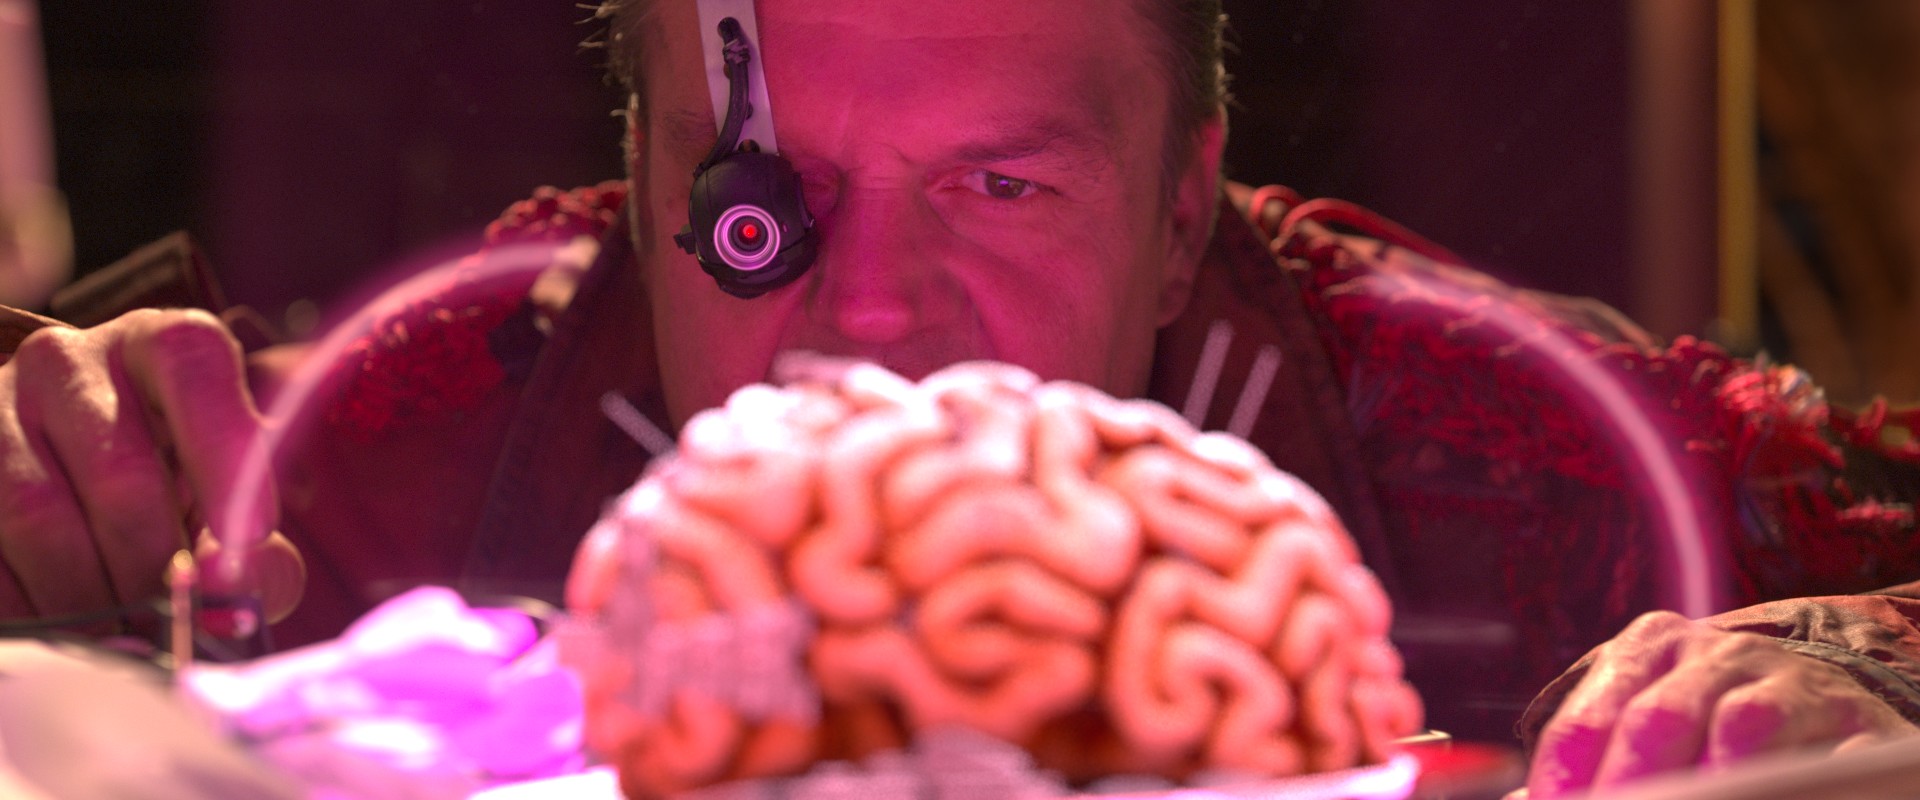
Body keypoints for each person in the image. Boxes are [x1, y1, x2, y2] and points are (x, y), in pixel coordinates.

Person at [0, 0, 1915, 796]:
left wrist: (1852, 653)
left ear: (1185, 214)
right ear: (644, 187)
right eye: (768, 204)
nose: (872, 310)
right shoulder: (429, 406)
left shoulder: (1506, 424)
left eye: (1001, 186)